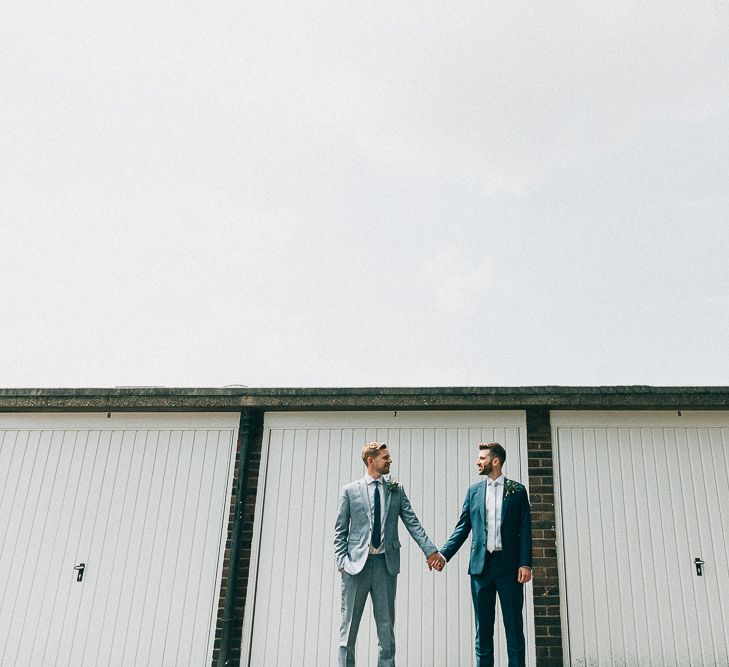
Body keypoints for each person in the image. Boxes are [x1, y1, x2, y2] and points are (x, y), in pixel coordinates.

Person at [334, 441, 444, 667]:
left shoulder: (396, 489)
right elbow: (340, 530)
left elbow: (413, 523)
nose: (390, 460)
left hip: (386, 566)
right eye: (385, 457)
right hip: (355, 568)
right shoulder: (350, 490)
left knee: (386, 632)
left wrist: (431, 551)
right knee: (348, 632)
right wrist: (341, 562)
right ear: (371, 460)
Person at [439, 442, 532, 667]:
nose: (477, 462)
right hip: (481, 569)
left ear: (495, 461)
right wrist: (443, 555)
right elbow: (462, 527)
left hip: (509, 568)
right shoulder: (474, 492)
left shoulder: (517, 491)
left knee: (513, 628)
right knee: (483, 630)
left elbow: (525, 529)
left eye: (482, 458)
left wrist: (525, 564)